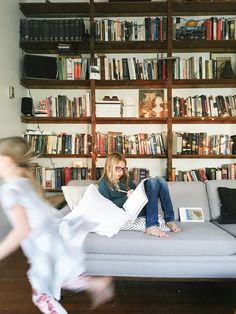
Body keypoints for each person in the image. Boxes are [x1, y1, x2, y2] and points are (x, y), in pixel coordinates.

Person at [0, 136, 114, 314]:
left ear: (6, 160)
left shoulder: (10, 190)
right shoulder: (23, 183)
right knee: (61, 276)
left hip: (44, 246)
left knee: (42, 294)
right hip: (53, 237)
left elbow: (22, 230)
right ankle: (96, 284)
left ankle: (93, 285)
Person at [98, 152, 181, 238]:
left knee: (160, 180)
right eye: (118, 168)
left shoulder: (125, 179)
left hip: (139, 206)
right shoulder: (104, 183)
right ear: (109, 167)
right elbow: (107, 207)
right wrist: (126, 197)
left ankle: (169, 220)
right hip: (127, 211)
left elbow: (137, 192)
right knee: (152, 182)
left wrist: (136, 193)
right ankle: (151, 226)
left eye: (123, 169)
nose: (121, 172)